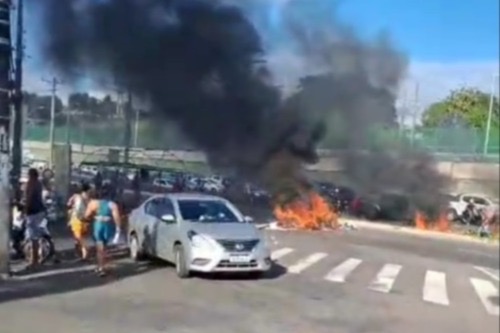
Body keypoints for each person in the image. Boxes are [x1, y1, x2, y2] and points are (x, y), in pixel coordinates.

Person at [84, 185, 122, 276]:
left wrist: (92, 216)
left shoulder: (93, 203)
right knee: (104, 247)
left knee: (99, 248)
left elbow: (86, 216)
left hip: (98, 224)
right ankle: (101, 266)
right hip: (107, 225)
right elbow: (117, 218)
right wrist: (118, 229)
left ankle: (101, 267)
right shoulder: (112, 204)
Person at [22, 168, 46, 268]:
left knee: (33, 237)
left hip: (33, 212)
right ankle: (36, 258)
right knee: (36, 236)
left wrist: (25, 210)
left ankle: (34, 260)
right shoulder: (39, 183)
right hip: (40, 211)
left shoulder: (31, 184)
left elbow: (29, 198)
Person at [67, 182, 91, 260]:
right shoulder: (89, 198)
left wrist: (73, 206)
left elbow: (68, 204)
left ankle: (85, 253)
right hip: (86, 220)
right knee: (80, 237)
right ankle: (78, 253)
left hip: (76, 220)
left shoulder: (76, 196)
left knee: (78, 238)